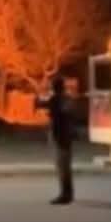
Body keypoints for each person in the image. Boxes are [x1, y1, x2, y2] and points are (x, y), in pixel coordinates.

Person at [36, 76, 75, 205]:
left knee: (62, 167)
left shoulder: (55, 99)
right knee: (66, 167)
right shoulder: (67, 98)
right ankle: (68, 193)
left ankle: (65, 195)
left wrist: (38, 95)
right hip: (67, 136)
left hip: (59, 136)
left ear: (54, 87)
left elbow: (41, 104)